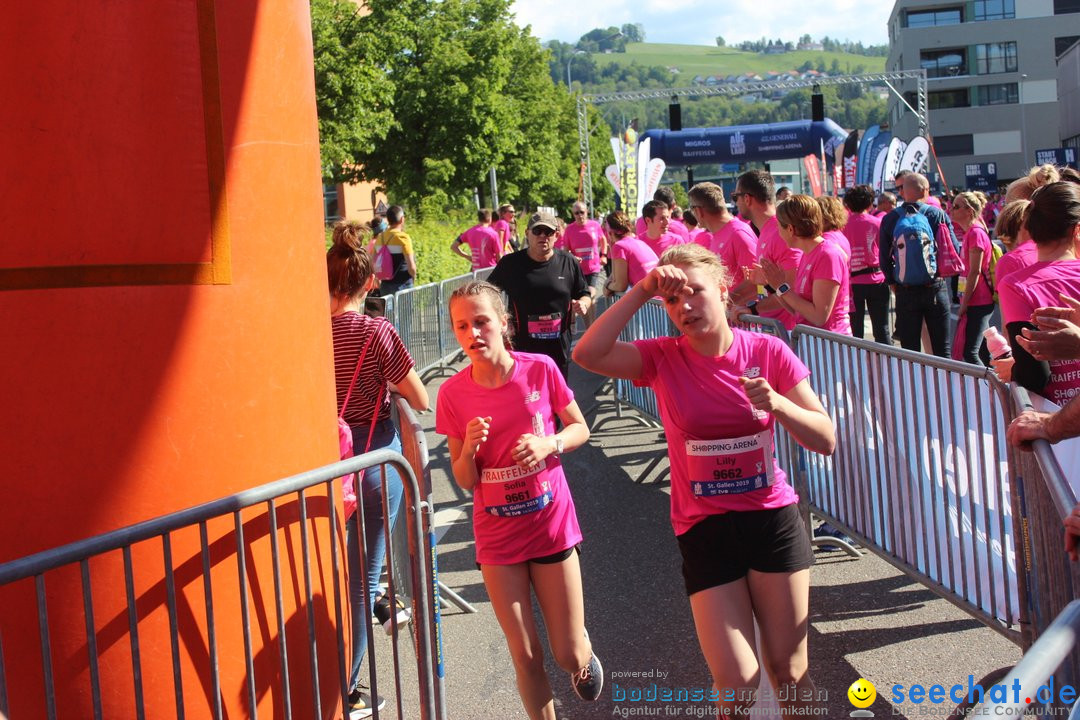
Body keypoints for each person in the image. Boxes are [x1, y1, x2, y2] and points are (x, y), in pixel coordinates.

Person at [572, 243, 835, 718]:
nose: (685, 306)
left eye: (695, 293)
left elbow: (826, 438)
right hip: (705, 529)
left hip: (771, 521)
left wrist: (778, 404)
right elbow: (587, 354)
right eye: (672, 300)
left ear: (723, 287)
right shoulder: (661, 357)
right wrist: (643, 288)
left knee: (790, 672)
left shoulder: (767, 350)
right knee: (736, 682)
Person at [436, 281, 602, 719]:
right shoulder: (453, 394)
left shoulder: (540, 368)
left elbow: (580, 428)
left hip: (550, 525)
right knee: (525, 653)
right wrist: (468, 449)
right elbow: (464, 477)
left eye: (482, 322)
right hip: (497, 535)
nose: (473, 334)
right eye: (462, 326)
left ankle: (582, 656)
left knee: (565, 654)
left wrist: (550, 445)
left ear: (504, 323)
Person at [328, 221, 430, 719]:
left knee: (324, 575)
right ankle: (344, 689)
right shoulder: (375, 331)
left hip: (318, 468)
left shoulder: (305, 333)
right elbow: (420, 397)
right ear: (370, 283)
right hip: (370, 461)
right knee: (361, 582)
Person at [995, 182, 1080, 404]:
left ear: (1030, 228)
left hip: (1056, 421)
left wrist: (1012, 371)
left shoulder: (1016, 286)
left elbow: (1035, 376)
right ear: (1077, 229)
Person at [488, 210, 591, 379]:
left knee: (558, 397)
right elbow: (488, 294)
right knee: (528, 395)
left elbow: (583, 292)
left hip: (558, 346)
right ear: (528, 233)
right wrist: (501, 319)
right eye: (537, 231)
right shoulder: (510, 264)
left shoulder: (569, 262)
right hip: (523, 346)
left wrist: (584, 303)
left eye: (548, 232)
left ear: (556, 235)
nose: (543, 236)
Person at [879, 172, 960, 358]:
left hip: (905, 290)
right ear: (925, 190)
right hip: (935, 287)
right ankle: (944, 386)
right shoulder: (936, 214)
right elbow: (953, 249)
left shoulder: (890, 219)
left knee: (910, 353)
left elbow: (884, 257)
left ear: (903, 193)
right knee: (943, 350)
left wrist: (893, 282)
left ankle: (915, 387)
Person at [754, 195, 852, 334]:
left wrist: (781, 287)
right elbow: (797, 311)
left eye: (778, 226)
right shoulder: (808, 254)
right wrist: (773, 284)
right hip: (814, 344)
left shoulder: (827, 255)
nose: (777, 233)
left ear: (790, 229)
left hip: (832, 348)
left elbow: (819, 317)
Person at [733, 169, 801, 330]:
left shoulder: (780, 231)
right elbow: (773, 285)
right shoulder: (766, 230)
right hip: (776, 328)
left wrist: (754, 309)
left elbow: (794, 289)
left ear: (747, 199)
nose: (735, 203)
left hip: (790, 331)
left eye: (735, 197)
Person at [687, 182, 757, 303]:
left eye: (692, 209)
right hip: (730, 317)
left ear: (698, 211)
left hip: (742, 319)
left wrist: (721, 304)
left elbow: (756, 281)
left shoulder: (737, 234)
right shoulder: (718, 233)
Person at [949, 191, 995, 364]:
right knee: (984, 351)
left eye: (956, 206)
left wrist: (965, 303)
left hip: (979, 300)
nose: (951, 210)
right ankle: (996, 383)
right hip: (975, 300)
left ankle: (989, 388)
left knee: (970, 353)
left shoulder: (976, 233)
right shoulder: (971, 232)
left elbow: (974, 272)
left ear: (968, 211)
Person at [842, 185, 889, 343]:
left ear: (848, 204)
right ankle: (886, 364)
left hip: (853, 283)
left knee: (856, 331)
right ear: (870, 204)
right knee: (882, 329)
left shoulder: (842, 225)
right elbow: (886, 251)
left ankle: (856, 365)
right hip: (877, 279)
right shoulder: (878, 223)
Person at [563, 201, 608, 310]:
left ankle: (592, 325)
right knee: (587, 301)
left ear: (587, 212)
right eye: (576, 213)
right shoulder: (569, 229)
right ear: (573, 214)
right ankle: (590, 326)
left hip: (593, 268)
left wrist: (604, 255)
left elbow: (603, 240)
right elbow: (566, 251)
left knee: (590, 294)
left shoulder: (595, 225)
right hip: (578, 270)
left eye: (582, 212)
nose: (579, 215)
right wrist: (572, 258)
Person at [604, 210, 659, 295]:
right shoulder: (637, 241)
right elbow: (615, 276)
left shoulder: (620, 246)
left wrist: (607, 286)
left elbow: (620, 285)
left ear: (610, 233)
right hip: (659, 300)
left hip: (649, 302)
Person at [369, 205, 417, 296]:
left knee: (389, 310)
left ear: (388, 220)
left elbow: (372, 262)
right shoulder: (403, 238)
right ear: (402, 219)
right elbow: (411, 266)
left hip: (385, 286)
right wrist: (413, 278)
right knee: (405, 310)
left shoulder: (380, 238)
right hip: (403, 285)